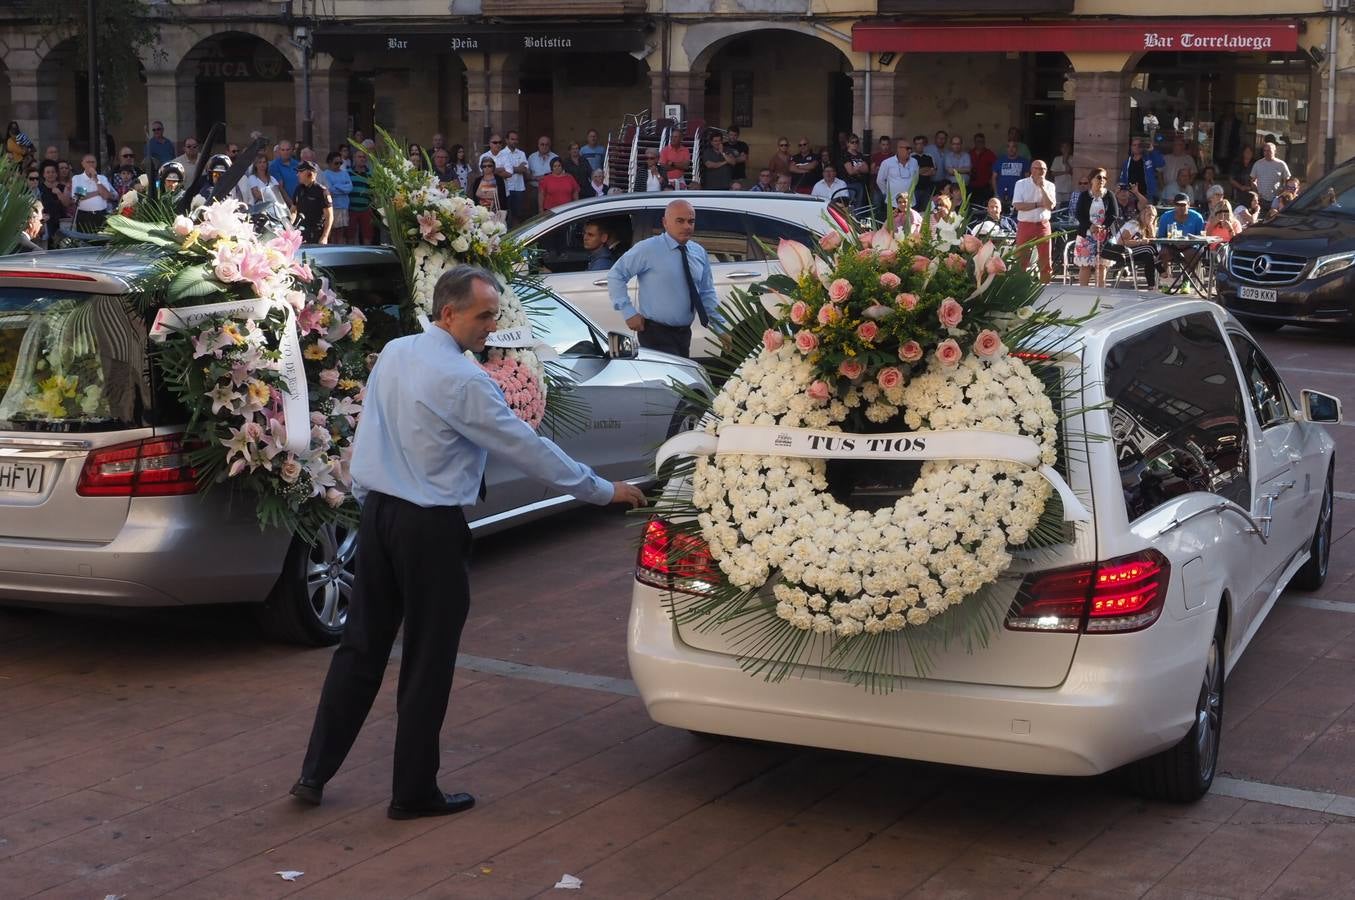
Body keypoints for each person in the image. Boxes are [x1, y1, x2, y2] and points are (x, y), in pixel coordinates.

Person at [291, 266, 645, 820]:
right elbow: (527, 449)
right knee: (428, 660)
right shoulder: (462, 378)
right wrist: (604, 490)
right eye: (483, 315)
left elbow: (372, 430)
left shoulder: (398, 352)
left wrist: (367, 488)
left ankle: (314, 773)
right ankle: (412, 792)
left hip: (380, 516)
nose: (492, 325)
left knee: (360, 648)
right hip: (428, 527)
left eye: (495, 313)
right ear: (448, 313)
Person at [607, 199, 720, 358]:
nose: (687, 226)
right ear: (665, 223)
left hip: (684, 334)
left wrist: (720, 328)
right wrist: (628, 312)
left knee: (680, 379)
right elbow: (616, 275)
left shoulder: (698, 252)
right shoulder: (648, 249)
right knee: (666, 380)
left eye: (691, 221)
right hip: (655, 333)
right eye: (680, 221)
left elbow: (706, 293)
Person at [1011, 159, 1056, 283]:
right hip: (1025, 225)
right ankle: (1019, 289)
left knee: (1046, 261)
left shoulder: (1050, 185)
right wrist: (1038, 204)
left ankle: (1044, 289)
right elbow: (1018, 205)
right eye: (1037, 169)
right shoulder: (1021, 184)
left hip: (1043, 225)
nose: (1040, 172)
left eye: (1043, 169)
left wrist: (1042, 187)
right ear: (1032, 170)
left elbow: (1050, 206)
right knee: (1021, 261)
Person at [1073, 168, 1118, 288]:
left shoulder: (1109, 195)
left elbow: (1114, 214)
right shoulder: (1084, 195)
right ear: (1091, 180)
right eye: (1099, 177)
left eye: (1104, 178)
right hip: (1086, 234)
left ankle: (1100, 293)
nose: (1102, 180)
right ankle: (1084, 292)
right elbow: (1079, 214)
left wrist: (1103, 226)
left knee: (1101, 265)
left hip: (1104, 235)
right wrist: (1090, 226)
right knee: (1085, 265)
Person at [1156, 192, 1207, 288]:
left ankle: (1186, 281)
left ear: (1188, 205)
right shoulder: (1165, 217)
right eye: (1178, 205)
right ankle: (1166, 281)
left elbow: (1201, 237)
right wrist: (1172, 242)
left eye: (1183, 205)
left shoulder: (1197, 217)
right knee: (1163, 252)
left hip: (1190, 247)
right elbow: (1160, 238)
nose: (1181, 207)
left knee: (1196, 253)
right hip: (1170, 246)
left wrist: (1188, 242)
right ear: (1174, 205)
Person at [1103, 205, 1160, 289]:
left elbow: (1152, 242)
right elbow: (1121, 242)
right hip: (1122, 252)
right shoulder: (1134, 224)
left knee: (1149, 255)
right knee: (1149, 248)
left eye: (1153, 215)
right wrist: (1140, 242)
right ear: (1142, 214)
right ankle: (1161, 269)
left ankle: (1151, 286)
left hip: (1137, 252)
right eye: (1149, 214)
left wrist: (1151, 230)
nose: (1151, 217)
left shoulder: (1148, 227)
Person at [292, 160, 333, 244]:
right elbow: (293, 210)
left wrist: (324, 237)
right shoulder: (299, 189)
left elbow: (329, 217)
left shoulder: (322, 191)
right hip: (300, 232)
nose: (297, 174)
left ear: (309, 174)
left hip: (316, 234)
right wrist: (290, 226)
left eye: (300, 172)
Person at [70, 154, 112, 232]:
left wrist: (96, 178)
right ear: (83, 164)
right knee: (84, 241)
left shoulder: (102, 178)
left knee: (101, 240)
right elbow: (78, 197)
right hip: (84, 215)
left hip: (101, 215)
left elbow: (106, 196)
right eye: (88, 162)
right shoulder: (77, 178)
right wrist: (97, 192)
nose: (91, 164)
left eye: (93, 162)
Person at [495, 131, 530, 224]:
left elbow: (524, 169)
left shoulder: (521, 153)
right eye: (512, 139)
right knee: (506, 214)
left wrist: (509, 169)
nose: (514, 141)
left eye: (516, 139)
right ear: (507, 140)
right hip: (507, 188)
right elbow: (499, 170)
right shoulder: (501, 153)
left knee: (518, 214)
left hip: (519, 188)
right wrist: (517, 168)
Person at [875, 141, 918, 215]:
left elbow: (916, 179)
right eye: (907, 148)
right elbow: (880, 180)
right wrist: (886, 193)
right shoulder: (887, 163)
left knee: (909, 225)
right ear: (899, 149)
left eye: (910, 148)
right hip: (893, 203)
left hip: (910, 203)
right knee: (893, 226)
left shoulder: (914, 162)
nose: (910, 151)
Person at [36, 160, 70, 248]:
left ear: (56, 174)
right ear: (43, 174)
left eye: (53, 172)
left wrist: (59, 193)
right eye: (48, 172)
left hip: (61, 223)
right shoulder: (39, 188)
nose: (50, 174)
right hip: (46, 223)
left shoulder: (63, 187)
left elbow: (67, 204)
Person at [245, 152, 288, 217]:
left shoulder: (272, 178)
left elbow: (279, 193)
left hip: (276, 212)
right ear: (255, 164)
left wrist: (292, 205)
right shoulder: (252, 178)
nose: (262, 164)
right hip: (261, 212)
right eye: (259, 162)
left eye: (264, 162)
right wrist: (272, 196)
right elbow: (257, 195)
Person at [992, 140, 1030, 212]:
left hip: (1018, 197)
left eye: (1013, 147)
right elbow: (994, 178)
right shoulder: (999, 161)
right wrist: (996, 194)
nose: (1011, 149)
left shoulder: (1024, 162)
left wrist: (1024, 195)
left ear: (1017, 149)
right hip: (1001, 196)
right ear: (1006, 149)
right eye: (1009, 147)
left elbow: (1027, 179)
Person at [1119, 138, 1160, 204]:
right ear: (1131, 147)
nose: (1136, 147)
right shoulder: (1127, 162)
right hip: (1130, 196)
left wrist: (1152, 150)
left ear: (1143, 147)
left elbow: (1160, 163)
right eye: (1134, 145)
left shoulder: (1149, 158)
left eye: (1139, 145)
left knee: (1147, 214)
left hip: (1147, 196)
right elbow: (1122, 180)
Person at [1251, 142, 1291, 206]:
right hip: (1261, 199)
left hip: (1276, 199)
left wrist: (1282, 193)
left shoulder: (1281, 164)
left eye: (1269, 150)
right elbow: (1252, 181)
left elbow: (1288, 180)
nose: (1267, 153)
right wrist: (1256, 194)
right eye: (1265, 151)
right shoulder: (1258, 164)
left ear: (1275, 151)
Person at [347, 151, 374, 244]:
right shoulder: (348, 173)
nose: (362, 159)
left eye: (363, 157)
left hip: (365, 209)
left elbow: (373, 191)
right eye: (359, 157)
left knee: (367, 236)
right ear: (354, 158)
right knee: (350, 236)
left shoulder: (370, 175)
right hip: (351, 209)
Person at [325, 152, 352, 245]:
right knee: (332, 232)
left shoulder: (345, 173)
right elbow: (330, 190)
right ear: (329, 162)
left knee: (341, 232)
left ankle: (340, 247)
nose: (339, 165)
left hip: (344, 206)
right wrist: (342, 188)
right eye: (336, 163)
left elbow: (349, 188)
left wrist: (337, 186)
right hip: (333, 207)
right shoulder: (326, 174)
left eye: (340, 163)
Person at [527, 136, 559, 209]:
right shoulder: (532, 157)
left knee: (550, 211)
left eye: (547, 144)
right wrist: (536, 177)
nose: (544, 146)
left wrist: (545, 177)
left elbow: (559, 174)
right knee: (534, 212)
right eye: (542, 144)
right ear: (538, 145)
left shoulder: (555, 157)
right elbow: (527, 175)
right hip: (535, 189)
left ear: (550, 145)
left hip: (550, 190)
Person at [840, 135, 870, 208]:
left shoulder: (860, 155)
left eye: (856, 142)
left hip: (860, 183)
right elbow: (850, 171)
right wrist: (860, 168)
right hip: (850, 183)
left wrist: (856, 168)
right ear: (848, 144)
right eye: (852, 142)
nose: (854, 144)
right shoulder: (845, 155)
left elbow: (866, 170)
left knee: (859, 205)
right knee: (851, 204)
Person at [967, 133, 996, 207]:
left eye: (982, 141)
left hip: (985, 186)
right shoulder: (969, 154)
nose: (980, 143)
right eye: (978, 141)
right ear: (974, 142)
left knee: (984, 207)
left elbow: (995, 169)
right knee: (972, 206)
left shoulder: (990, 154)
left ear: (984, 142)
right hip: (972, 186)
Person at [909, 136, 936, 211]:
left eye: (921, 144)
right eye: (918, 144)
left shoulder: (929, 156)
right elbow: (912, 172)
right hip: (914, 189)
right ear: (914, 145)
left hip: (927, 189)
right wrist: (926, 169)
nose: (920, 146)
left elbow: (933, 171)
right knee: (913, 211)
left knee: (926, 211)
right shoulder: (911, 157)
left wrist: (919, 171)